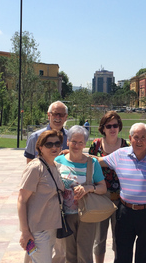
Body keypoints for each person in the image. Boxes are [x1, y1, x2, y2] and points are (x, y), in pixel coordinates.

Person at [96, 123, 146, 263]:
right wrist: (75, 154)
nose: (139, 141)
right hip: (125, 213)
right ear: (130, 138)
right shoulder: (120, 155)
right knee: (122, 254)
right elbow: (98, 161)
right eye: (136, 137)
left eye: (143, 137)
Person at [23, 101, 69, 263]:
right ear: (48, 115)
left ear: (66, 117)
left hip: (60, 210)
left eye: (61, 114)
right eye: (54, 114)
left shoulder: (70, 138)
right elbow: (29, 170)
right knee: (35, 251)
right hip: (39, 209)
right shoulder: (35, 137)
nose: (57, 117)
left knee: (60, 252)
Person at [55, 125, 107, 263]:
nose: (76, 145)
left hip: (87, 215)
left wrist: (90, 188)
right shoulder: (58, 161)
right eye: (73, 141)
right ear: (67, 142)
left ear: (84, 144)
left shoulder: (92, 163)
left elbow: (103, 188)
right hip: (66, 215)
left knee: (84, 255)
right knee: (69, 255)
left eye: (80, 142)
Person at [18, 130, 65, 263]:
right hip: (37, 230)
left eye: (57, 143)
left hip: (52, 226)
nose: (54, 147)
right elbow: (21, 200)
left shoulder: (54, 166)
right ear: (40, 148)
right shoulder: (35, 167)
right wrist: (25, 232)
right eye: (49, 145)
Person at [88, 111, 129, 263]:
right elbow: (88, 163)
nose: (112, 129)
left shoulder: (125, 145)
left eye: (115, 125)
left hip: (121, 197)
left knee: (119, 237)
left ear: (119, 127)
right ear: (103, 128)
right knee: (99, 238)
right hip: (100, 196)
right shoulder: (96, 144)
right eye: (109, 126)